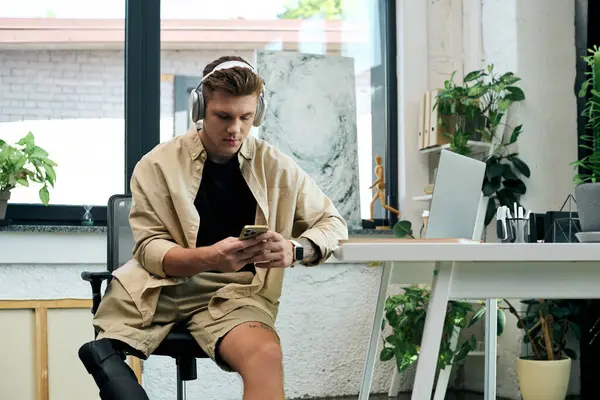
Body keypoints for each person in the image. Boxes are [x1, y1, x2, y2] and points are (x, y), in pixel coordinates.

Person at [78, 55, 348, 400]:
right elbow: (149, 250)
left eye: (246, 117)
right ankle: (105, 357)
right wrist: (208, 257)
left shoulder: (276, 166)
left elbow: (332, 223)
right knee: (109, 353)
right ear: (200, 108)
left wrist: (297, 249)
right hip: (156, 288)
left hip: (233, 295)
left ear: (258, 114)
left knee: (266, 355)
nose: (235, 128)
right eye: (223, 116)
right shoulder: (156, 164)